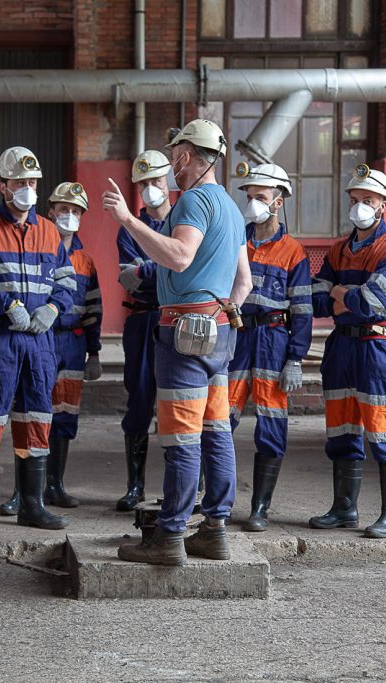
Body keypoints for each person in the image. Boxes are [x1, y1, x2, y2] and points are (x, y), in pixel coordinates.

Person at [103, 120, 252, 565]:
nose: (172, 165)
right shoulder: (228, 205)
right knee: (216, 431)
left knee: (181, 438)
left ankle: (168, 539)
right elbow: (244, 282)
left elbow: (181, 254)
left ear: (185, 156)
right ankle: (214, 530)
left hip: (183, 335)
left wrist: (128, 220)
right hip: (218, 333)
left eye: (174, 156)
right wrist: (219, 313)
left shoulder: (192, 201)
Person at [0, 146, 76, 535]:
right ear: (3, 185)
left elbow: (67, 283)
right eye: (20, 182)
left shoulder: (50, 232)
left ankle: (32, 505)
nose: (27, 189)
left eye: (32, 182)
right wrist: (5, 304)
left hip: (39, 340)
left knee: (37, 417)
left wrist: (53, 310)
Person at [309, 165, 386, 539]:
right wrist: (341, 298)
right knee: (341, 428)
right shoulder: (338, 249)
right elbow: (316, 300)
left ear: (383, 204)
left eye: (368, 201)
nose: (360, 208)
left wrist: (340, 294)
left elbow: (373, 301)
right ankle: (344, 509)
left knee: (383, 429)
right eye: (354, 201)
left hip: (378, 347)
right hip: (342, 347)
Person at [0, 181, 102, 514]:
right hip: (36, 338)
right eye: (63, 209)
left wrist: (94, 352)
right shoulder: (35, 246)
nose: (69, 216)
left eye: (76, 211)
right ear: (51, 210)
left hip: (72, 342)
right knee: (27, 412)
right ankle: (20, 491)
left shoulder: (85, 260)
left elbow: (94, 308)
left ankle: (54, 485)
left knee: (64, 415)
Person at [228, 163, 312, 532]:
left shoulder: (294, 252)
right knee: (218, 419)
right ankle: (213, 500)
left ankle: (260, 508)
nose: (252, 204)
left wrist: (295, 357)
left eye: (259, 198)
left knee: (272, 425)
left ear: (278, 202)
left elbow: (303, 309)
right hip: (236, 335)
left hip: (274, 342)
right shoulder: (234, 240)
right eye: (248, 197)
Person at [115, 150, 173, 511]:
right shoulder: (129, 228)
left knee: (178, 401)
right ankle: (134, 486)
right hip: (140, 321)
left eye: (156, 181)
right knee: (138, 400)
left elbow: (181, 266)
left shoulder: (185, 221)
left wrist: (150, 268)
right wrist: (166, 266)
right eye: (144, 184)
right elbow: (129, 279)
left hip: (175, 318)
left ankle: (178, 487)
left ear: (168, 181)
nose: (151, 188)